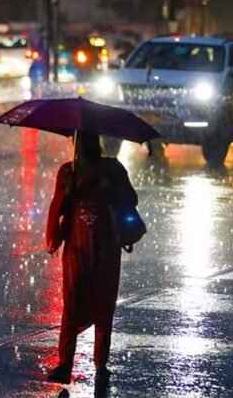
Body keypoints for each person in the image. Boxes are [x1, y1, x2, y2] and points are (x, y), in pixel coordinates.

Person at [44, 132, 138, 385]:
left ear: (76, 143)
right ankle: (100, 364)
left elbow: (57, 207)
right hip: (106, 244)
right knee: (103, 301)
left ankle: (65, 364)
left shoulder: (69, 172)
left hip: (78, 244)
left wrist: (52, 238)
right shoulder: (112, 169)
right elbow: (131, 198)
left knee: (73, 302)